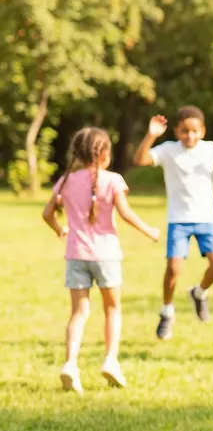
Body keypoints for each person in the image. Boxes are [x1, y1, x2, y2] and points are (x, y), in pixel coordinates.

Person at [41, 127, 160, 392]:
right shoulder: (114, 180)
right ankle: (110, 360)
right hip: (106, 255)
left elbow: (47, 213)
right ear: (105, 154)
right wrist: (149, 230)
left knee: (78, 313)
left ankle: (70, 364)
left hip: (75, 255)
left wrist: (60, 229)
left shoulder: (66, 181)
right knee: (112, 309)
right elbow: (126, 213)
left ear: (79, 154)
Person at [133, 106, 213, 340]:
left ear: (203, 131)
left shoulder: (210, 150)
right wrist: (151, 135)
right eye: (184, 131)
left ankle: (199, 293)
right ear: (177, 131)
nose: (190, 136)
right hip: (178, 220)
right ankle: (167, 311)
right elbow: (140, 159)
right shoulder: (169, 150)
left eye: (195, 131)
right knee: (174, 269)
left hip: (206, 219)